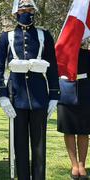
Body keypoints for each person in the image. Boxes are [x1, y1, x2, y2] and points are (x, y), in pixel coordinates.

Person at [0, 0, 60, 179]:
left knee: (39, 147)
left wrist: (54, 94)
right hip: (15, 97)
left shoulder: (43, 35)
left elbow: (53, 66)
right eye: (23, 9)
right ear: (16, 13)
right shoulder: (5, 37)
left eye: (30, 9)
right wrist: (2, 95)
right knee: (20, 145)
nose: (27, 12)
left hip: (39, 97)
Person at [57, 41, 90, 179]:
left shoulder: (88, 54)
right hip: (66, 91)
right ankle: (74, 165)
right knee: (68, 130)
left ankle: (82, 165)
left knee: (84, 130)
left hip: (86, 92)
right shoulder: (61, 53)